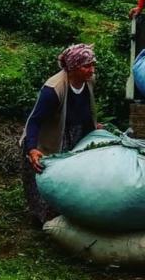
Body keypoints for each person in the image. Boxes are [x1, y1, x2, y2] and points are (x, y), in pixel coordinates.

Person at [19, 43, 101, 223]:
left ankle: (63, 217)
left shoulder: (88, 82)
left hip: (73, 133)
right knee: (44, 181)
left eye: (93, 65)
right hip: (48, 138)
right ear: (73, 68)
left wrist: (94, 127)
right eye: (86, 66)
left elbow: (85, 109)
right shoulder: (54, 89)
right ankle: (44, 222)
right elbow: (34, 121)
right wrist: (32, 148)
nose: (91, 70)